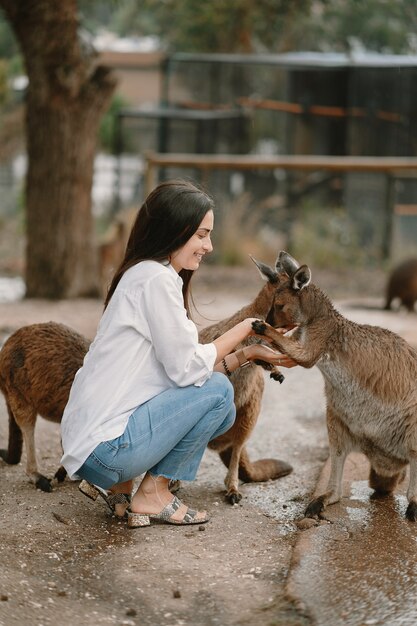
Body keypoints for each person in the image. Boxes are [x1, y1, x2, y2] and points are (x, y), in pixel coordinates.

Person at [60, 179, 295, 528]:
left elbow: (179, 371)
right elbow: (189, 372)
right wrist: (249, 327)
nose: (210, 246)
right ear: (175, 230)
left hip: (90, 447)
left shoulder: (141, 274)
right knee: (220, 397)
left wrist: (250, 354)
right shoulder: (155, 280)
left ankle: (122, 490)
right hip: (105, 450)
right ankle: (153, 494)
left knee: (218, 399)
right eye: (202, 234)